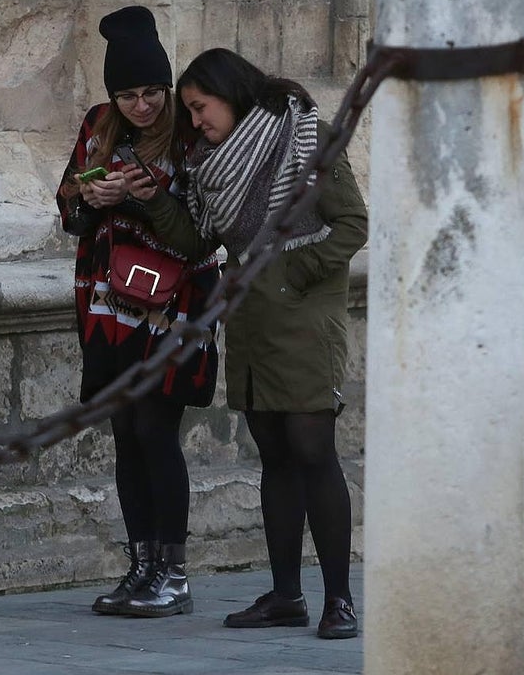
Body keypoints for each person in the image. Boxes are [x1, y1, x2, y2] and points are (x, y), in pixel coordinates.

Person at [137, 47, 367, 639]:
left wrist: (290, 272)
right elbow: (197, 242)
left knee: (312, 447)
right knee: (273, 452)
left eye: (199, 107)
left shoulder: (302, 133)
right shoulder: (211, 162)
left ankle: (339, 599)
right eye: (188, 112)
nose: (195, 122)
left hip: (305, 315)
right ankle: (286, 594)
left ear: (230, 93)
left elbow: (352, 224)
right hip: (251, 320)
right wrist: (153, 200)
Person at [54, 6, 220, 619]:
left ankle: (173, 575)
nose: (143, 105)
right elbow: (69, 207)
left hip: (174, 309)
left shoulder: (190, 129)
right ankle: (140, 566)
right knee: (126, 434)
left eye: (153, 91)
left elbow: (206, 234)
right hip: (110, 304)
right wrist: (90, 199)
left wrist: (151, 200)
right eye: (129, 95)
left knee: (156, 430)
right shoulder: (97, 124)